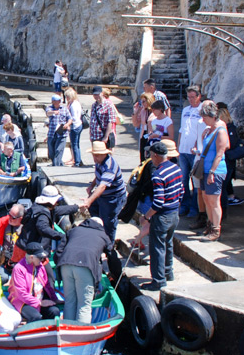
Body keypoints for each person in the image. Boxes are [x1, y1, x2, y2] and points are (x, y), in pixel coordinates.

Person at [134, 140, 183, 290]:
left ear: (155, 155)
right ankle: (168, 272)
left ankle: (158, 280)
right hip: (174, 214)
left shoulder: (158, 175)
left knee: (157, 248)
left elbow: (158, 202)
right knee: (168, 243)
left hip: (162, 216)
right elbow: (181, 192)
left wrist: (146, 217)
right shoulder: (176, 169)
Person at [54, 216, 112, 323]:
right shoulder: (103, 235)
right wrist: (116, 274)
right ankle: (80, 336)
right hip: (85, 267)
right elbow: (112, 255)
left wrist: (59, 265)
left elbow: (58, 252)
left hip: (65, 265)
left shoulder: (73, 230)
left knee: (70, 301)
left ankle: (67, 331)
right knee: (84, 305)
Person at [16, 185, 79, 264]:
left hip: (24, 245)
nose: (57, 203)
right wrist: (61, 236)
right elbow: (43, 229)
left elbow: (61, 210)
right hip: (29, 251)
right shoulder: (42, 215)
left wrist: (76, 207)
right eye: (57, 201)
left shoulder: (38, 207)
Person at [195, 101, 229, 242]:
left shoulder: (220, 130)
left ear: (212, 116)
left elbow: (220, 153)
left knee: (214, 201)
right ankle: (210, 225)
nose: (203, 120)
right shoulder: (210, 130)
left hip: (215, 171)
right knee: (207, 198)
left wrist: (212, 172)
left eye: (205, 117)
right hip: (206, 169)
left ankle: (216, 228)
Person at [81, 141, 126, 244]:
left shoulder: (109, 166)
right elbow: (99, 176)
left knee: (109, 221)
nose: (95, 158)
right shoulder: (99, 162)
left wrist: (89, 200)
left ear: (104, 154)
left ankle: (109, 244)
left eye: (97, 155)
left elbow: (102, 186)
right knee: (94, 211)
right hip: (104, 195)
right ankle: (99, 234)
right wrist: (91, 186)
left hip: (113, 197)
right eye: (94, 155)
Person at [9, 242, 61, 322]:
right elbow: (21, 293)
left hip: (40, 298)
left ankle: (48, 331)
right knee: (35, 316)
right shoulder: (19, 269)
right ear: (31, 257)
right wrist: (39, 302)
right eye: (40, 258)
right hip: (23, 302)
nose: (42, 260)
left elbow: (46, 285)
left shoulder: (40, 266)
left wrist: (54, 299)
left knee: (54, 311)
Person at [177, 85, 206, 217]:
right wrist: (178, 146)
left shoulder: (202, 111)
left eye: (193, 97)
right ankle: (184, 206)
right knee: (183, 181)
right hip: (183, 150)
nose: (191, 100)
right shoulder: (185, 110)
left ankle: (195, 209)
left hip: (195, 152)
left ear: (199, 96)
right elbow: (182, 130)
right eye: (188, 97)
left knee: (196, 182)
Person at [217, 102, 244, 206]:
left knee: (223, 186)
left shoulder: (229, 129)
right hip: (227, 160)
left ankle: (225, 206)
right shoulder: (227, 128)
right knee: (225, 184)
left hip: (228, 160)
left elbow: (230, 145)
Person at [45, 94, 71, 166]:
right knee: (51, 151)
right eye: (55, 101)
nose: (57, 102)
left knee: (59, 150)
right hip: (52, 133)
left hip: (62, 132)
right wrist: (54, 112)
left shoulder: (64, 109)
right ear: (52, 102)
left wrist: (67, 124)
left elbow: (70, 118)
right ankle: (58, 163)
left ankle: (56, 166)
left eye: (59, 101)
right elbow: (47, 113)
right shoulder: (49, 108)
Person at [132, 92, 156, 162]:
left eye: (143, 101)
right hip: (144, 135)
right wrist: (135, 112)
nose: (142, 103)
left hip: (153, 136)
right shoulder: (143, 111)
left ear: (149, 100)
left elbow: (159, 127)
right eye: (141, 101)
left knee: (150, 157)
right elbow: (136, 124)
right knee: (143, 157)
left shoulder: (156, 112)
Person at [65, 87, 84, 167]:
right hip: (79, 125)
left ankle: (77, 162)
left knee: (74, 145)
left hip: (75, 126)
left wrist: (68, 125)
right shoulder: (77, 102)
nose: (66, 98)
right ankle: (78, 160)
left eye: (67, 97)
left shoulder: (73, 105)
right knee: (77, 144)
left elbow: (73, 117)